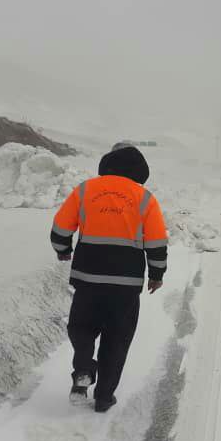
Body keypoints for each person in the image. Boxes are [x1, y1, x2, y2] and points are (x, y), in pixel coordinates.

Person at [49, 142, 168, 413]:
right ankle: (103, 397)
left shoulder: (85, 190)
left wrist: (63, 250)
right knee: (117, 339)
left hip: (87, 277)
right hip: (125, 285)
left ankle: (83, 367)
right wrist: (157, 274)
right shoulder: (145, 198)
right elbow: (157, 242)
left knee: (81, 326)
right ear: (139, 170)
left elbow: (60, 227)